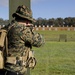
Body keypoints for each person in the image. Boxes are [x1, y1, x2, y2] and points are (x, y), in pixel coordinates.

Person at [2, 5, 44, 75]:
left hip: (5, 69)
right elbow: (41, 42)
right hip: (16, 71)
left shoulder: (7, 27)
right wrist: (31, 30)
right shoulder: (22, 30)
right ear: (27, 21)